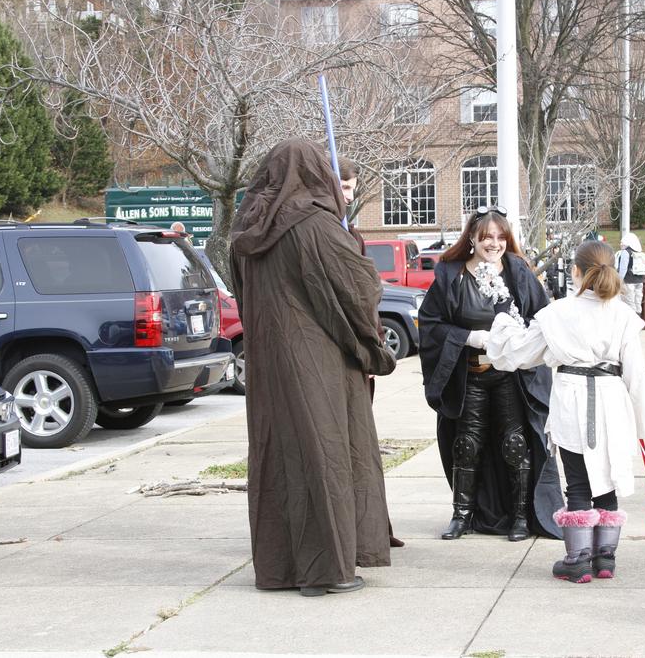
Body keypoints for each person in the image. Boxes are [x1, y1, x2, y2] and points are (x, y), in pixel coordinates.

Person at [229, 138, 396, 597]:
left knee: (279, 459)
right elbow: (357, 290)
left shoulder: (244, 233)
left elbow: (243, 296)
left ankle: (280, 569)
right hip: (317, 362)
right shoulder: (315, 225)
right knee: (325, 457)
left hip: (268, 363)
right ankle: (329, 570)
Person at [487, 240, 645, 583]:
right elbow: (636, 373)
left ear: (576, 271)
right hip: (612, 401)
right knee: (608, 479)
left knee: (578, 483)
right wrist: (642, 422)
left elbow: (518, 354)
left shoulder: (558, 313)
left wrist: (504, 323)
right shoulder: (624, 315)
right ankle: (605, 558)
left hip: (572, 400)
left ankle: (578, 559)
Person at [418, 206, 563, 542]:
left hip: (510, 377)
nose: (494, 243)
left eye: (500, 237)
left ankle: (520, 517)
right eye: (486, 237)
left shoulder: (518, 273)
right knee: (466, 445)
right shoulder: (451, 276)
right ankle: (462, 515)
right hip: (470, 376)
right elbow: (431, 324)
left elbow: (541, 319)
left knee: (516, 444)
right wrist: (467, 338)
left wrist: (517, 341)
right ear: (473, 238)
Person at [338, 157, 405, 549]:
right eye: (342, 187)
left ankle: (374, 526)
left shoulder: (353, 237)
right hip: (337, 358)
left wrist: (373, 344)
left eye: (351, 188)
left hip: (360, 357)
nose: (348, 196)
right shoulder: (323, 234)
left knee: (362, 445)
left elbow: (366, 297)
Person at [614, 233, 645, 315]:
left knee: (629, 303)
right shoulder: (638, 252)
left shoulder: (625, 252)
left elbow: (623, 269)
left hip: (628, 281)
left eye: (622, 242)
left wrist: (619, 281)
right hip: (639, 281)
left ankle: (632, 322)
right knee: (638, 302)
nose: (621, 244)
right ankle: (638, 319)